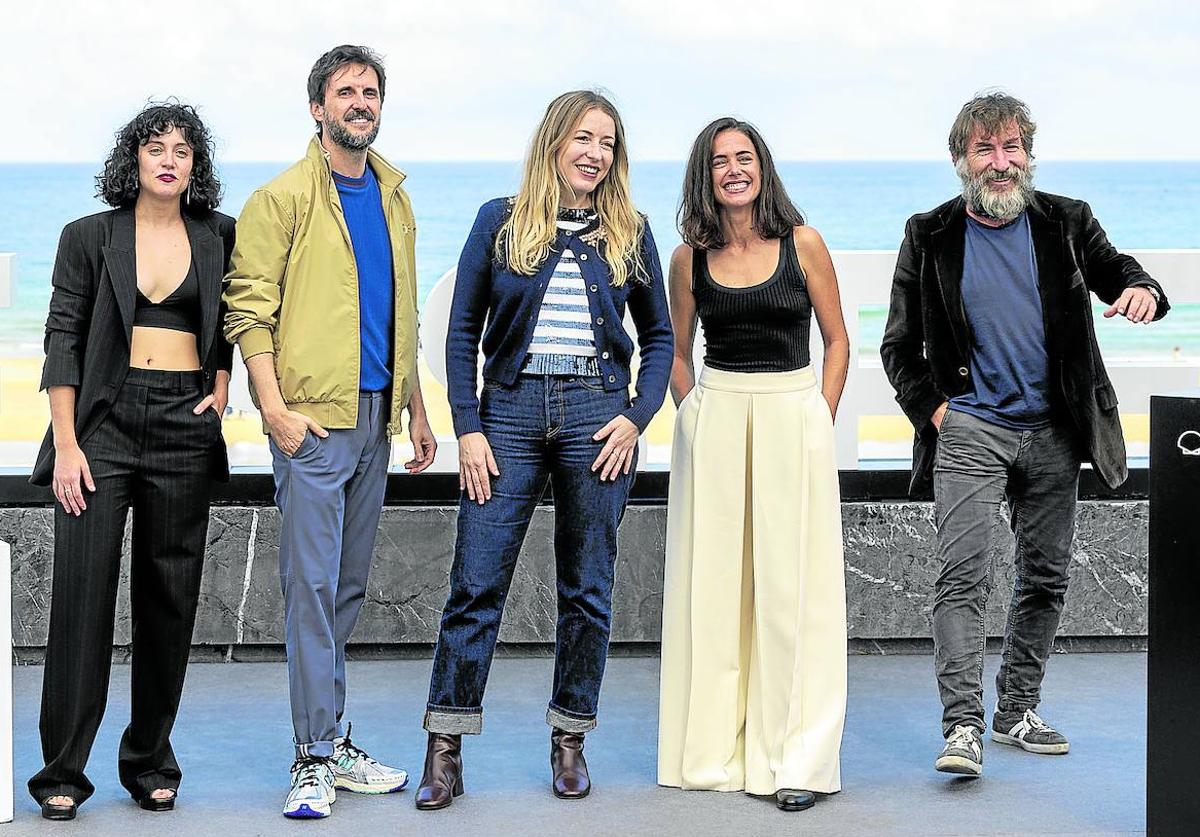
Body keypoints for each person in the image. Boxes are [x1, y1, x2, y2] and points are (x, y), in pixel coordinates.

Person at [880, 91, 1170, 778]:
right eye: (986, 148)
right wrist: (938, 410)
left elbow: (1121, 272)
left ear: (1028, 156)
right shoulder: (928, 233)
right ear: (961, 160)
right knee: (964, 577)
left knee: (1044, 576)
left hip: (1053, 431)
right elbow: (898, 346)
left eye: (1012, 147)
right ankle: (961, 726)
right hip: (971, 427)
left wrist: (1144, 293)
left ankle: (1016, 709)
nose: (1001, 161)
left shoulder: (1067, 221)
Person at [417, 90, 673, 809]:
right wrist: (468, 425)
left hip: (597, 414)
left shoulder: (630, 231)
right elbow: (462, 327)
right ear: (555, 141)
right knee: (476, 581)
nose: (596, 152)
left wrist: (636, 415)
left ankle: (570, 740)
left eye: (609, 142)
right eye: (584, 137)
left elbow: (659, 339)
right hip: (510, 413)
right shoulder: (499, 221)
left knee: (588, 587)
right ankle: (446, 747)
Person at [222, 45, 436, 819]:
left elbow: (400, 308)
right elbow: (249, 310)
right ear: (317, 107)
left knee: (344, 590)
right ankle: (311, 756)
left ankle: (332, 740)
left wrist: (416, 408)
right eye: (346, 91)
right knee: (310, 592)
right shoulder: (280, 199)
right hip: (311, 425)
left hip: (377, 418)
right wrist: (275, 413)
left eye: (370, 91)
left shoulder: (394, 195)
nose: (360, 102)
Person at [27, 102, 235, 820]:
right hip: (102, 426)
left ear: (194, 165)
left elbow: (239, 321)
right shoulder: (88, 236)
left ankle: (149, 759)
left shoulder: (220, 235)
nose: (169, 159)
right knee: (82, 596)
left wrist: (221, 385)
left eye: (182, 149)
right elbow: (63, 339)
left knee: (168, 599)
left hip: (184, 424)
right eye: (156, 148)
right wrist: (67, 442)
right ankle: (62, 769)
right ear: (134, 160)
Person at [656, 118, 850, 812]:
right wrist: (693, 416)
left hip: (792, 417)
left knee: (793, 597)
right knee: (715, 594)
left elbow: (837, 343)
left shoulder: (805, 244)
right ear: (704, 178)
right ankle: (715, 750)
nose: (733, 170)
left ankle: (797, 755)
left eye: (744, 158)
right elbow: (677, 353)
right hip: (716, 420)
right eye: (718, 162)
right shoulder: (688, 258)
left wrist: (816, 421)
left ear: (762, 167)